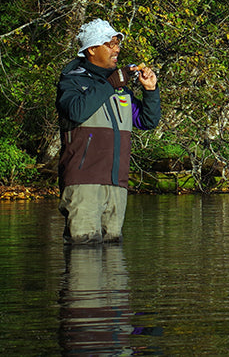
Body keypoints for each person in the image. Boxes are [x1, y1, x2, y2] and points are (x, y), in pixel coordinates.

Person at [56, 18, 160, 244]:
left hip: (117, 183)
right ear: (92, 49)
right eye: (110, 44)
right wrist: (111, 83)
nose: (117, 50)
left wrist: (150, 91)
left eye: (117, 44)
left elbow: (146, 120)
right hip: (83, 183)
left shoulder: (119, 87)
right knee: (82, 254)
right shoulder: (72, 81)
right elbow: (76, 111)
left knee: (113, 262)